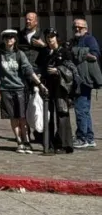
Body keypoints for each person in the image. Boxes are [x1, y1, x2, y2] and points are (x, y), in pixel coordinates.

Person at [0, 29, 42, 153]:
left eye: (12, 37)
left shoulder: (19, 54)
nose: (9, 40)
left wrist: (39, 84)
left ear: (15, 39)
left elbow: (28, 70)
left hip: (19, 88)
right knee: (13, 117)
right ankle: (19, 141)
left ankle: (27, 141)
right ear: (3, 39)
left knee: (22, 117)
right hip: (5, 89)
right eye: (7, 37)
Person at [37, 29, 76, 154]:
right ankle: (49, 142)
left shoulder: (64, 52)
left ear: (56, 38)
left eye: (52, 37)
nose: (50, 39)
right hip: (47, 86)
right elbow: (39, 66)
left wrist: (58, 70)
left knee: (62, 113)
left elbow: (72, 70)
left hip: (61, 87)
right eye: (48, 37)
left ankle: (64, 144)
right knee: (48, 115)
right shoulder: (44, 52)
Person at [68, 17, 101, 149]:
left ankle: (82, 137)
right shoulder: (73, 41)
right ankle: (89, 137)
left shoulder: (89, 39)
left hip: (85, 80)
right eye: (75, 27)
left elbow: (94, 55)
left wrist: (77, 52)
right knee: (84, 110)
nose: (77, 29)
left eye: (80, 27)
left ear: (86, 29)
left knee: (81, 110)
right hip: (77, 79)